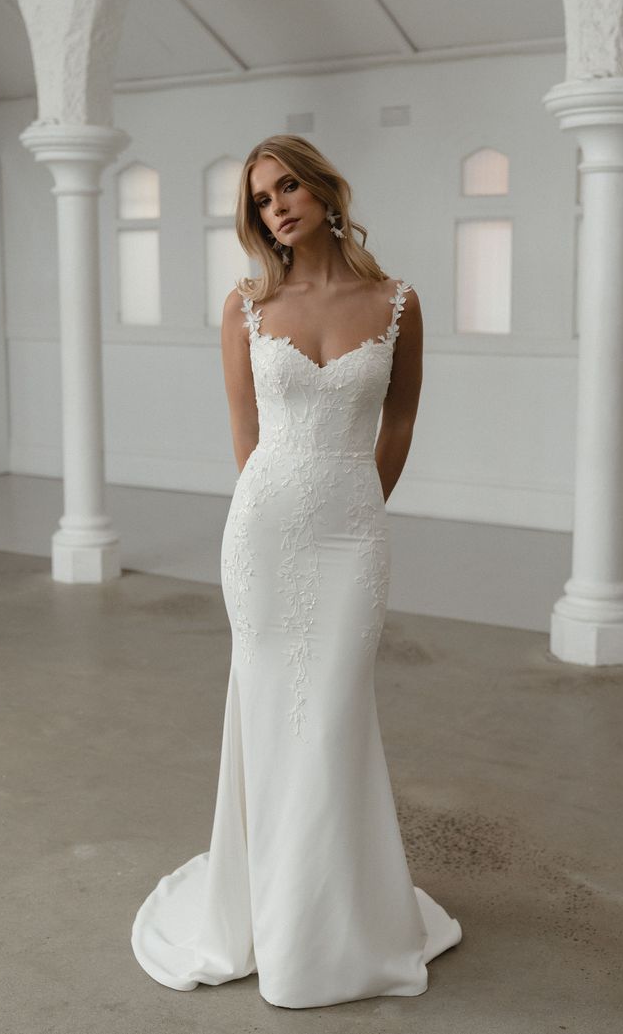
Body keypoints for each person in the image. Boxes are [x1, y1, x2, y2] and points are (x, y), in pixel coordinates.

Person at [130, 135, 462, 1008]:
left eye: (287, 186)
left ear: (322, 189)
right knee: (277, 721)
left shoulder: (397, 302)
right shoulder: (244, 306)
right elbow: (245, 437)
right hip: (265, 537)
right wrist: (279, 509)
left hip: (353, 541)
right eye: (261, 198)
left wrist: (358, 503)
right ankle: (274, 916)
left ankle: (335, 926)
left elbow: (399, 425)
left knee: (336, 720)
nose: (276, 205)